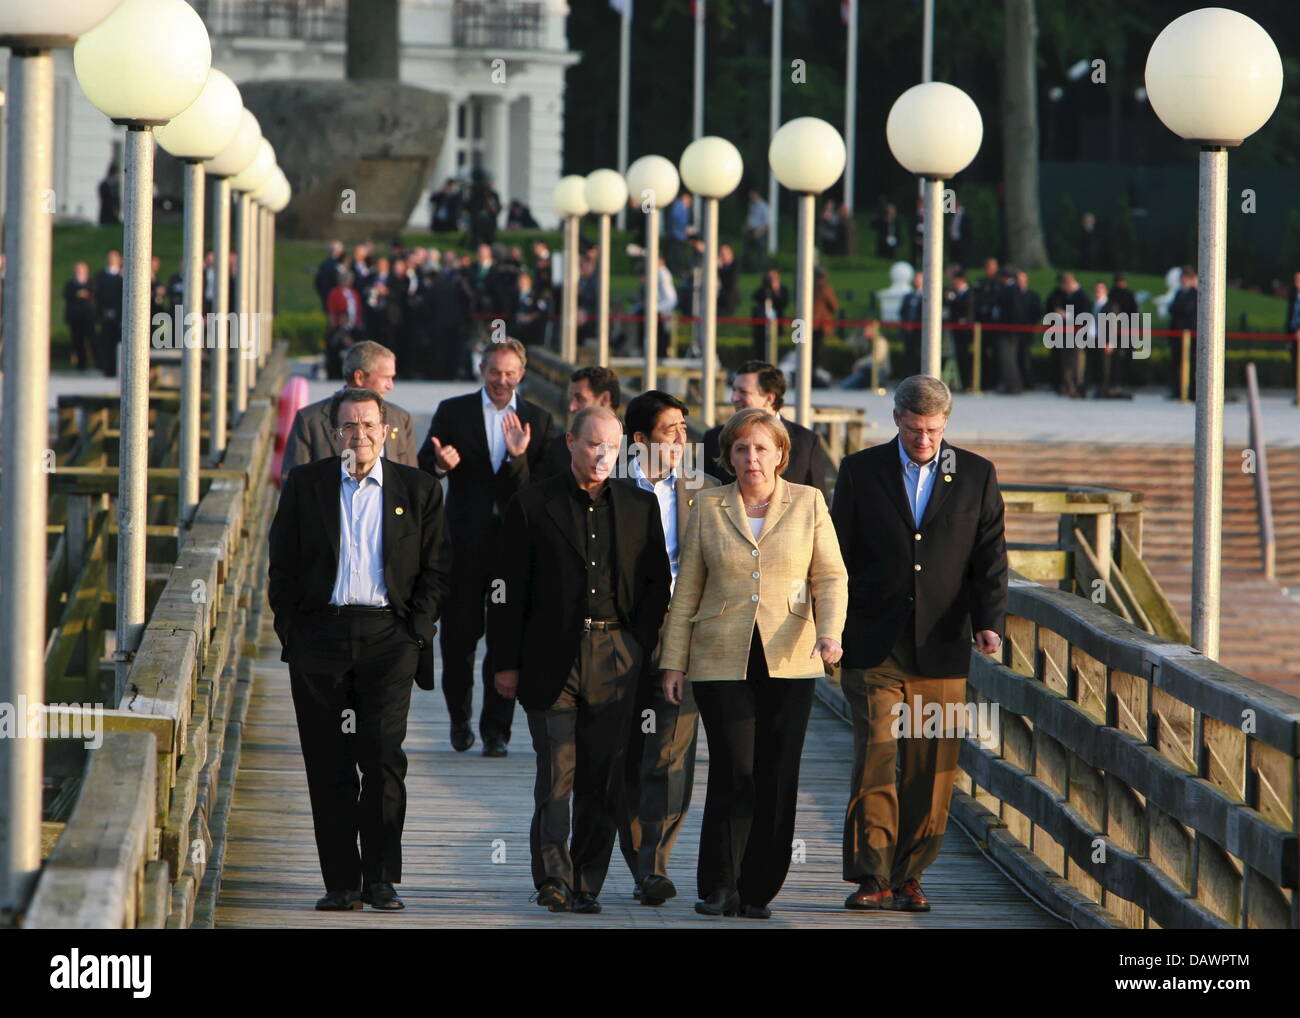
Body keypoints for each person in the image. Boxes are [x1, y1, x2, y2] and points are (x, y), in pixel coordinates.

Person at [659, 408, 848, 918]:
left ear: (781, 454)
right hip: (722, 656)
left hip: (791, 655)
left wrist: (830, 633)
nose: (751, 458)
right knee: (733, 769)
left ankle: (758, 887)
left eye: (761, 448)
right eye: (741, 449)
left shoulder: (808, 503)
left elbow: (830, 577)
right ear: (728, 457)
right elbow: (688, 591)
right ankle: (718, 884)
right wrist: (673, 663)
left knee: (777, 772)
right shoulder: (709, 505)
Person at [268, 388, 449, 912]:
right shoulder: (306, 485)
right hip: (320, 639)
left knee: (382, 757)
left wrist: (415, 633)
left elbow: (437, 571)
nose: (360, 435)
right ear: (333, 432)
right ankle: (342, 882)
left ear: (386, 430)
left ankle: (381, 879)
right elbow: (282, 566)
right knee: (328, 763)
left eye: (369, 425)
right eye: (349, 426)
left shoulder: (418, 489)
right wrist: (292, 633)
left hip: (388, 640)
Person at [831, 375, 1007, 913]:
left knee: (932, 769)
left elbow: (990, 558)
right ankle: (873, 874)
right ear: (897, 421)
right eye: (914, 430)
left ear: (946, 423)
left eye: (933, 430)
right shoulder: (861, 472)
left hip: (943, 643)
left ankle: (911, 875)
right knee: (877, 758)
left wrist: (989, 621)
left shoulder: (976, 474)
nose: (924, 441)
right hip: (873, 643)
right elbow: (837, 555)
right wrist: (830, 628)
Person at [490, 406, 672, 914]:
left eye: (611, 448)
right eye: (592, 445)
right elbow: (504, 591)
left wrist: (637, 642)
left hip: (617, 652)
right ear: (571, 441)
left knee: (604, 775)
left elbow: (658, 583)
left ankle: (587, 881)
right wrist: (505, 663)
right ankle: (553, 878)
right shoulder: (532, 504)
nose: (601, 456)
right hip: (552, 656)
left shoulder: (640, 506)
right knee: (556, 774)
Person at [418, 338, 556, 756]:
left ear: (522, 374)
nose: (502, 380)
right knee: (458, 641)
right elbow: (426, 462)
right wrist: (441, 465)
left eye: (510, 373)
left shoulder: (538, 420)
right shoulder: (453, 411)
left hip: (513, 551)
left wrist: (518, 459)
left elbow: (545, 489)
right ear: (482, 370)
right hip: (463, 546)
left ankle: (496, 731)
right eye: (495, 371)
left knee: (505, 642)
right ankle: (459, 721)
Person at [614, 391, 719, 904]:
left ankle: (654, 865)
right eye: (669, 429)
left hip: (683, 637)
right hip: (616, 639)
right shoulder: (607, 488)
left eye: (684, 427)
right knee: (625, 754)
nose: (682, 438)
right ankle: (638, 858)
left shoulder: (709, 491)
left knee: (670, 756)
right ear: (639, 439)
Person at [281, 341, 419, 481]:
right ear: (359, 377)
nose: (391, 385)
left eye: (392, 377)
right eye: (385, 378)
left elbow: (412, 481)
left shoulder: (400, 418)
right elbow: (292, 482)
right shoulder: (310, 420)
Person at [701, 361, 831, 499]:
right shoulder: (712, 438)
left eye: (743, 392)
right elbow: (694, 491)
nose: (734, 398)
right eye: (733, 390)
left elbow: (819, 502)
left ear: (769, 398)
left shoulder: (808, 441)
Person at [536, 364, 622, 482]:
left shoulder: (637, 453)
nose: (572, 407)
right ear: (570, 442)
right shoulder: (558, 449)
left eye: (580, 399)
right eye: (571, 398)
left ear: (604, 400)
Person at [1045, 271, 1087, 397]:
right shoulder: (1058, 294)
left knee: (1072, 362)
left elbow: (1084, 316)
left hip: (1075, 335)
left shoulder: (1081, 296)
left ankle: (1072, 386)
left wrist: (1067, 315)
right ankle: (1063, 384)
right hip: (1060, 335)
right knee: (1062, 361)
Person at [325, 268, 364, 379]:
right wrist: (334, 323)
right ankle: (334, 373)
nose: (348, 281)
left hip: (352, 325)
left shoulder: (354, 293)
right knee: (336, 348)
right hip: (339, 325)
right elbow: (332, 310)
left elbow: (358, 308)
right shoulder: (335, 292)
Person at [1167, 267, 1198, 400]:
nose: (1183, 281)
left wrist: (1177, 308)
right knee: (1176, 364)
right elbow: (1172, 308)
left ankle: (1190, 391)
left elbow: (1186, 309)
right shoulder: (1179, 293)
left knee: (1190, 363)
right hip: (1177, 335)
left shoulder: (1194, 293)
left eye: (1186, 278)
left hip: (1190, 335)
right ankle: (1177, 390)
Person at [93, 250, 124, 377]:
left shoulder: (123, 275)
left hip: (120, 314)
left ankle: (120, 368)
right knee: (106, 342)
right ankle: (107, 368)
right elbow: (97, 295)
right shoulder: (101, 276)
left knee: (120, 342)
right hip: (105, 314)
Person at [63, 262, 97, 372]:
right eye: (78, 270)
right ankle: (81, 365)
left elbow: (95, 295)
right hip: (75, 318)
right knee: (77, 341)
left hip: (88, 317)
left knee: (92, 339)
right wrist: (78, 294)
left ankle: (98, 364)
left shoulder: (91, 283)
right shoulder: (71, 284)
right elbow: (66, 295)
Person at [750, 268, 789, 361]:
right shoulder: (763, 289)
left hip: (776, 323)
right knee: (760, 348)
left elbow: (783, 303)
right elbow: (755, 297)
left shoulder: (783, 289)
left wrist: (775, 291)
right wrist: (765, 288)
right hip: (761, 325)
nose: (771, 279)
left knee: (774, 347)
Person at [742, 189, 770, 271]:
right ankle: (749, 268)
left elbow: (767, 222)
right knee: (747, 251)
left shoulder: (763, 206)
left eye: (752, 195)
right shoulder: (751, 205)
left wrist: (760, 232)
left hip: (759, 231)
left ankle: (760, 269)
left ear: (756, 194)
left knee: (760, 252)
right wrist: (746, 227)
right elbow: (751, 218)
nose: (750, 197)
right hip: (750, 231)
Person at [314, 242, 346, 311]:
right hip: (332, 298)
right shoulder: (330, 264)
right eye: (342, 250)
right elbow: (320, 282)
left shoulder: (329, 263)